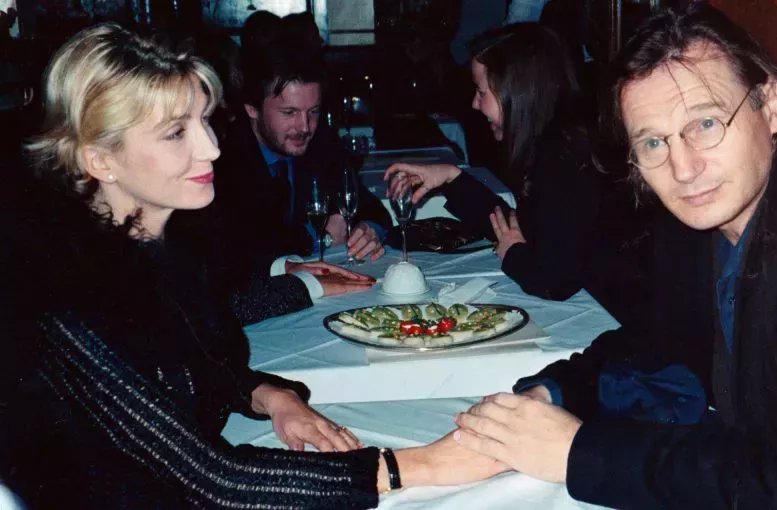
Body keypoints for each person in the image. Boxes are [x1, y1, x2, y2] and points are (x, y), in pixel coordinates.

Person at [0, 23, 504, 509]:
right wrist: (420, 465)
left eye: (204, 121)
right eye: (176, 133)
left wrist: (270, 397)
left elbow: (194, 368)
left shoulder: (159, 250)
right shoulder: (58, 293)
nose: (212, 147)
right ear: (100, 160)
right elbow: (214, 482)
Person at [449, 5, 777, 508]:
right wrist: (557, 392)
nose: (683, 168)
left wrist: (577, 454)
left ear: (769, 107)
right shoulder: (695, 234)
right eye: (653, 142)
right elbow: (654, 342)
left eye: (705, 123)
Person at [385, 23, 646, 323]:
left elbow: (553, 280)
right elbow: (521, 229)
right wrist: (451, 178)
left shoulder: (562, 159)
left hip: (619, 319)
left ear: (516, 93)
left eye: (481, 92)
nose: (474, 104)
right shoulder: (555, 143)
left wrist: (513, 256)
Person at [209, 40, 391, 264]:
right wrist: (319, 238)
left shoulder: (321, 142)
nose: (305, 127)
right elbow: (242, 248)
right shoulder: (225, 159)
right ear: (252, 109)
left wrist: (368, 230)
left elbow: (372, 209)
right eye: (289, 112)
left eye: (313, 111)